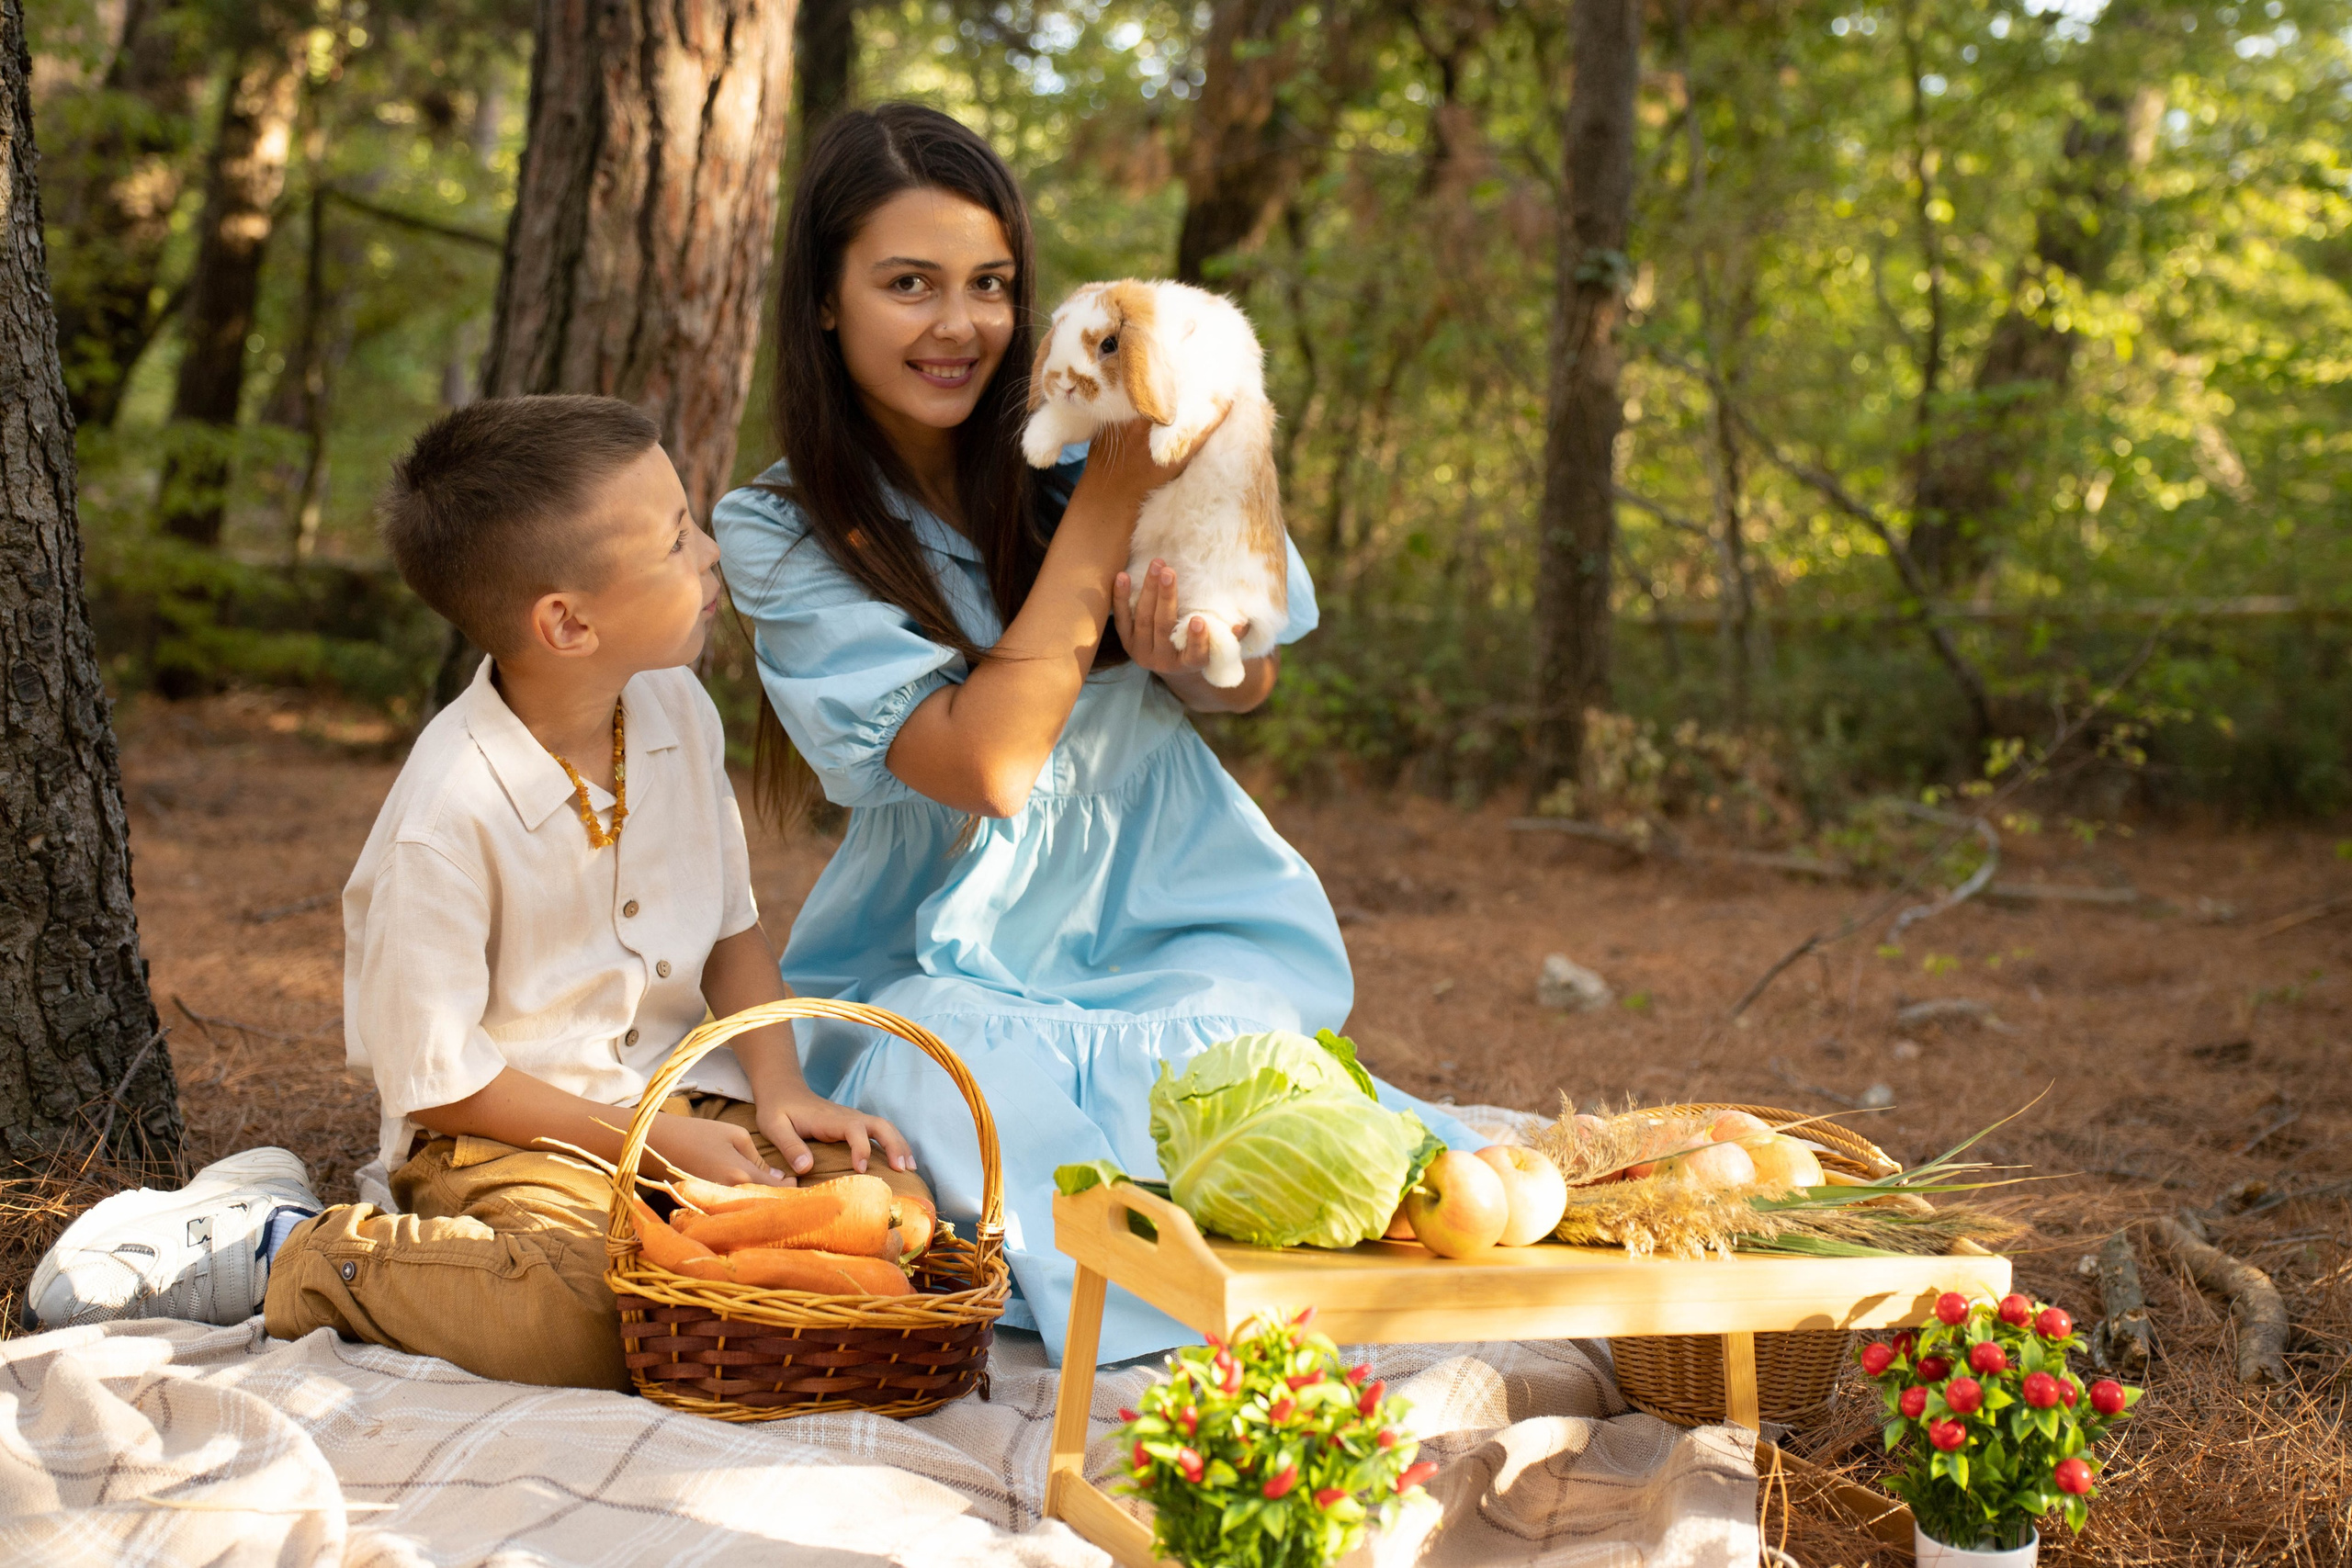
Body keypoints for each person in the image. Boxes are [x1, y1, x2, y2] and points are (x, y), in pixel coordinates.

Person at [713, 104, 1476, 1367]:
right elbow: (989, 763)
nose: (958, 326)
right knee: (947, 1100)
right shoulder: (784, 525)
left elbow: (1251, 678)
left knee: (1240, 1080)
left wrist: (1195, 658)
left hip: (1170, 903)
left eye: (990, 285)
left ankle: (1231, 1289)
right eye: (909, 285)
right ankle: (1192, 1312)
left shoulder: (1092, 427)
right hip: (946, 951)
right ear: (827, 303)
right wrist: (1117, 487)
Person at [30, 395, 927, 1391]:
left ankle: (684, 1245)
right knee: (586, 1315)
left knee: (893, 1211)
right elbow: (449, 1083)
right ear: (568, 621)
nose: (711, 553)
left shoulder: (674, 706)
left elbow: (732, 934)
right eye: (677, 539)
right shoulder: (446, 815)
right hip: (498, 1139)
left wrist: (781, 1087)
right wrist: (654, 1144)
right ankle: (285, 1247)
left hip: (665, 1101)